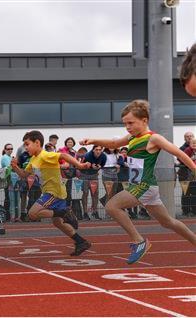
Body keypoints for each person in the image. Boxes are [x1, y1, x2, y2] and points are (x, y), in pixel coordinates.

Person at [80, 99, 196, 264]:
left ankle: (138, 241)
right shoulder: (132, 137)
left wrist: (194, 169)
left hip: (144, 186)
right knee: (167, 222)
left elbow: (179, 153)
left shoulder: (154, 138)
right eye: (125, 124)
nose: (127, 127)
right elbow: (114, 143)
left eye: (131, 123)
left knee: (112, 206)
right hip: (144, 187)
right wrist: (93, 141)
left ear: (144, 120)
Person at [11, 130, 92, 256]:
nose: (25, 147)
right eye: (24, 145)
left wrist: (79, 165)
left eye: (27, 144)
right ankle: (81, 242)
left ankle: (65, 212)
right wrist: (15, 167)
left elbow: (63, 156)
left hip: (54, 192)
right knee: (57, 222)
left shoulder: (45, 155)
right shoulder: (33, 160)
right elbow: (24, 175)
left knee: (32, 214)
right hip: (51, 192)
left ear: (37, 143)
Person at [80, 145, 106, 221]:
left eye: (99, 150)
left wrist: (100, 166)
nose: (98, 151)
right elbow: (81, 164)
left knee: (95, 194)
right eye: (96, 149)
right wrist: (91, 165)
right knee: (85, 193)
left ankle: (95, 211)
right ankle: (85, 213)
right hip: (84, 175)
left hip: (94, 176)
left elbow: (102, 164)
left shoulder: (103, 156)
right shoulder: (87, 155)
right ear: (93, 150)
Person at [1, 143, 19, 222]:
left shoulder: (11, 157)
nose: (10, 150)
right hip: (9, 181)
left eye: (11, 149)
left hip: (14, 180)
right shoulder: (4, 157)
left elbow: (14, 167)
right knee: (11, 199)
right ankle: (11, 216)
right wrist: (15, 166)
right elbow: (11, 167)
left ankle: (15, 216)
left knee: (15, 199)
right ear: (5, 150)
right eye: (8, 149)